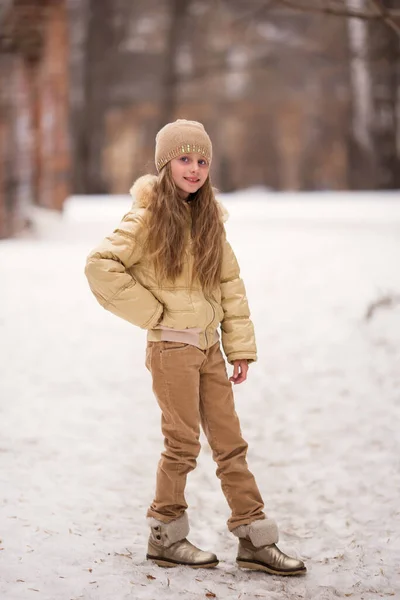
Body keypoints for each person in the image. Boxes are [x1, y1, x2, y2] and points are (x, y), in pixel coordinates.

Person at [84, 119, 306, 576]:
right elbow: (100, 265)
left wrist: (238, 347)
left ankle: (254, 538)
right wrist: (154, 315)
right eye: (184, 159)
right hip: (171, 351)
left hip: (208, 351)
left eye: (202, 160)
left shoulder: (209, 219)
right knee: (182, 444)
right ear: (165, 164)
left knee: (230, 444)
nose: (195, 169)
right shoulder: (145, 217)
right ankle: (166, 536)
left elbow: (229, 285)